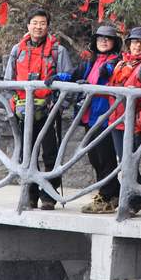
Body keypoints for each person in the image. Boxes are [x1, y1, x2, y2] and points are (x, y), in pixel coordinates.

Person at [45, 25, 123, 214]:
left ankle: (107, 195)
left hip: (106, 115)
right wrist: (56, 78)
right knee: (95, 158)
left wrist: (97, 78)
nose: (103, 41)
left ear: (114, 42)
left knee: (105, 158)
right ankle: (111, 193)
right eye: (100, 38)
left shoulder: (117, 61)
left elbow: (111, 74)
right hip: (90, 115)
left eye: (107, 38)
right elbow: (75, 75)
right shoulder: (92, 61)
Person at [4, 8, 73, 210]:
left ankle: (49, 195)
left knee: (50, 153)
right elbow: (8, 80)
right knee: (27, 153)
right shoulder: (17, 50)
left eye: (42, 23)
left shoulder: (58, 51)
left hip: (49, 110)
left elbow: (67, 78)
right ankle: (30, 194)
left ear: (47, 26)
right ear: (28, 25)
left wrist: (60, 106)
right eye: (34, 22)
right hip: (24, 110)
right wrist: (13, 104)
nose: (38, 27)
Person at [105, 26, 141, 214]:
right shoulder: (122, 63)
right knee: (124, 160)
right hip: (117, 117)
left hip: (134, 119)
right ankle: (137, 197)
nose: (137, 46)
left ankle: (136, 198)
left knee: (128, 160)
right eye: (134, 42)